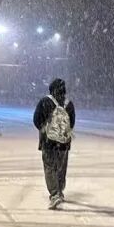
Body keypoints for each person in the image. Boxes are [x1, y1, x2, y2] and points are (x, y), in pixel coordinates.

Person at [33, 78, 76, 209]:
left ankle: (54, 194)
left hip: (48, 142)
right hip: (63, 143)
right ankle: (60, 190)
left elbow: (36, 120)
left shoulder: (45, 101)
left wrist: (45, 129)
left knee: (49, 167)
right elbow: (72, 123)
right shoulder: (69, 104)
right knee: (61, 167)